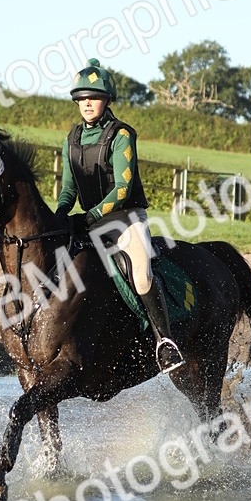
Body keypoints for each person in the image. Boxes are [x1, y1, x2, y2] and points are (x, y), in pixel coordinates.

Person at [54, 58, 185, 374]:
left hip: (126, 219)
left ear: (105, 100)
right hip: (90, 222)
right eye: (82, 99)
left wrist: (93, 213)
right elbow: (68, 191)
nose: (87, 104)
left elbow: (123, 188)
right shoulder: (70, 139)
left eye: (93, 98)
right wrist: (58, 216)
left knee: (140, 273)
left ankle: (165, 343)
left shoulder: (121, 134)